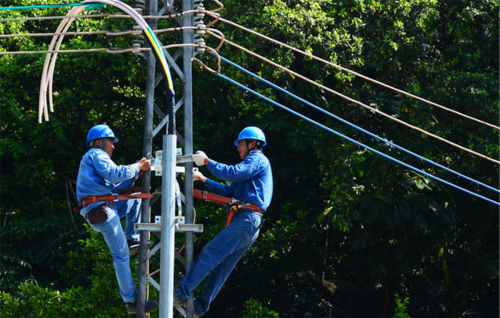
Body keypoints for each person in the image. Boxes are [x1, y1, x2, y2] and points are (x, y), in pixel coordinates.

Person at [173, 126, 273, 317]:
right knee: (220, 267)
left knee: (210, 253)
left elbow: (232, 173)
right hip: (250, 222)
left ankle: (181, 293)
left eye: (241, 144)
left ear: (252, 144)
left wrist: (208, 162)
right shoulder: (249, 170)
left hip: (247, 220)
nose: (238, 148)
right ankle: (200, 307)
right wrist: (203, 179)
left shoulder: (256, 159)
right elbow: (228, 191)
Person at [76, 124, 158, 315]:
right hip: (100, 210)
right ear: (99, 141)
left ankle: (132, 239)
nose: (113, 146)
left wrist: (137, 172)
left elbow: (117, 188)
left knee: (135, 199)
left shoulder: (97, 161)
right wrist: (137, 167)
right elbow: (114, 175)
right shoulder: (95, 155)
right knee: (120, 256)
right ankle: (131, 301)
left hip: (105, 206)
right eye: (110, 141)